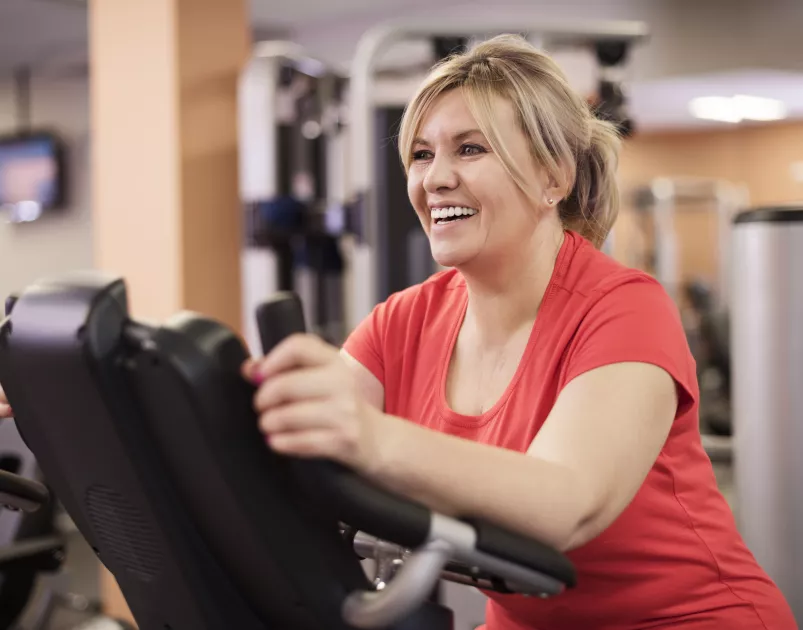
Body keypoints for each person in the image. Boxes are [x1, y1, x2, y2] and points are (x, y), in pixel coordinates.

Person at [241, 35, 796, 630]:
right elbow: (292, 459)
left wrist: (369, 438)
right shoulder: (402, 322)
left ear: (553, 177)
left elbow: (567, 504)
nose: (436, 178)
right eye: (422, 155)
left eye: (470, 149)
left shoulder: (623, 308)